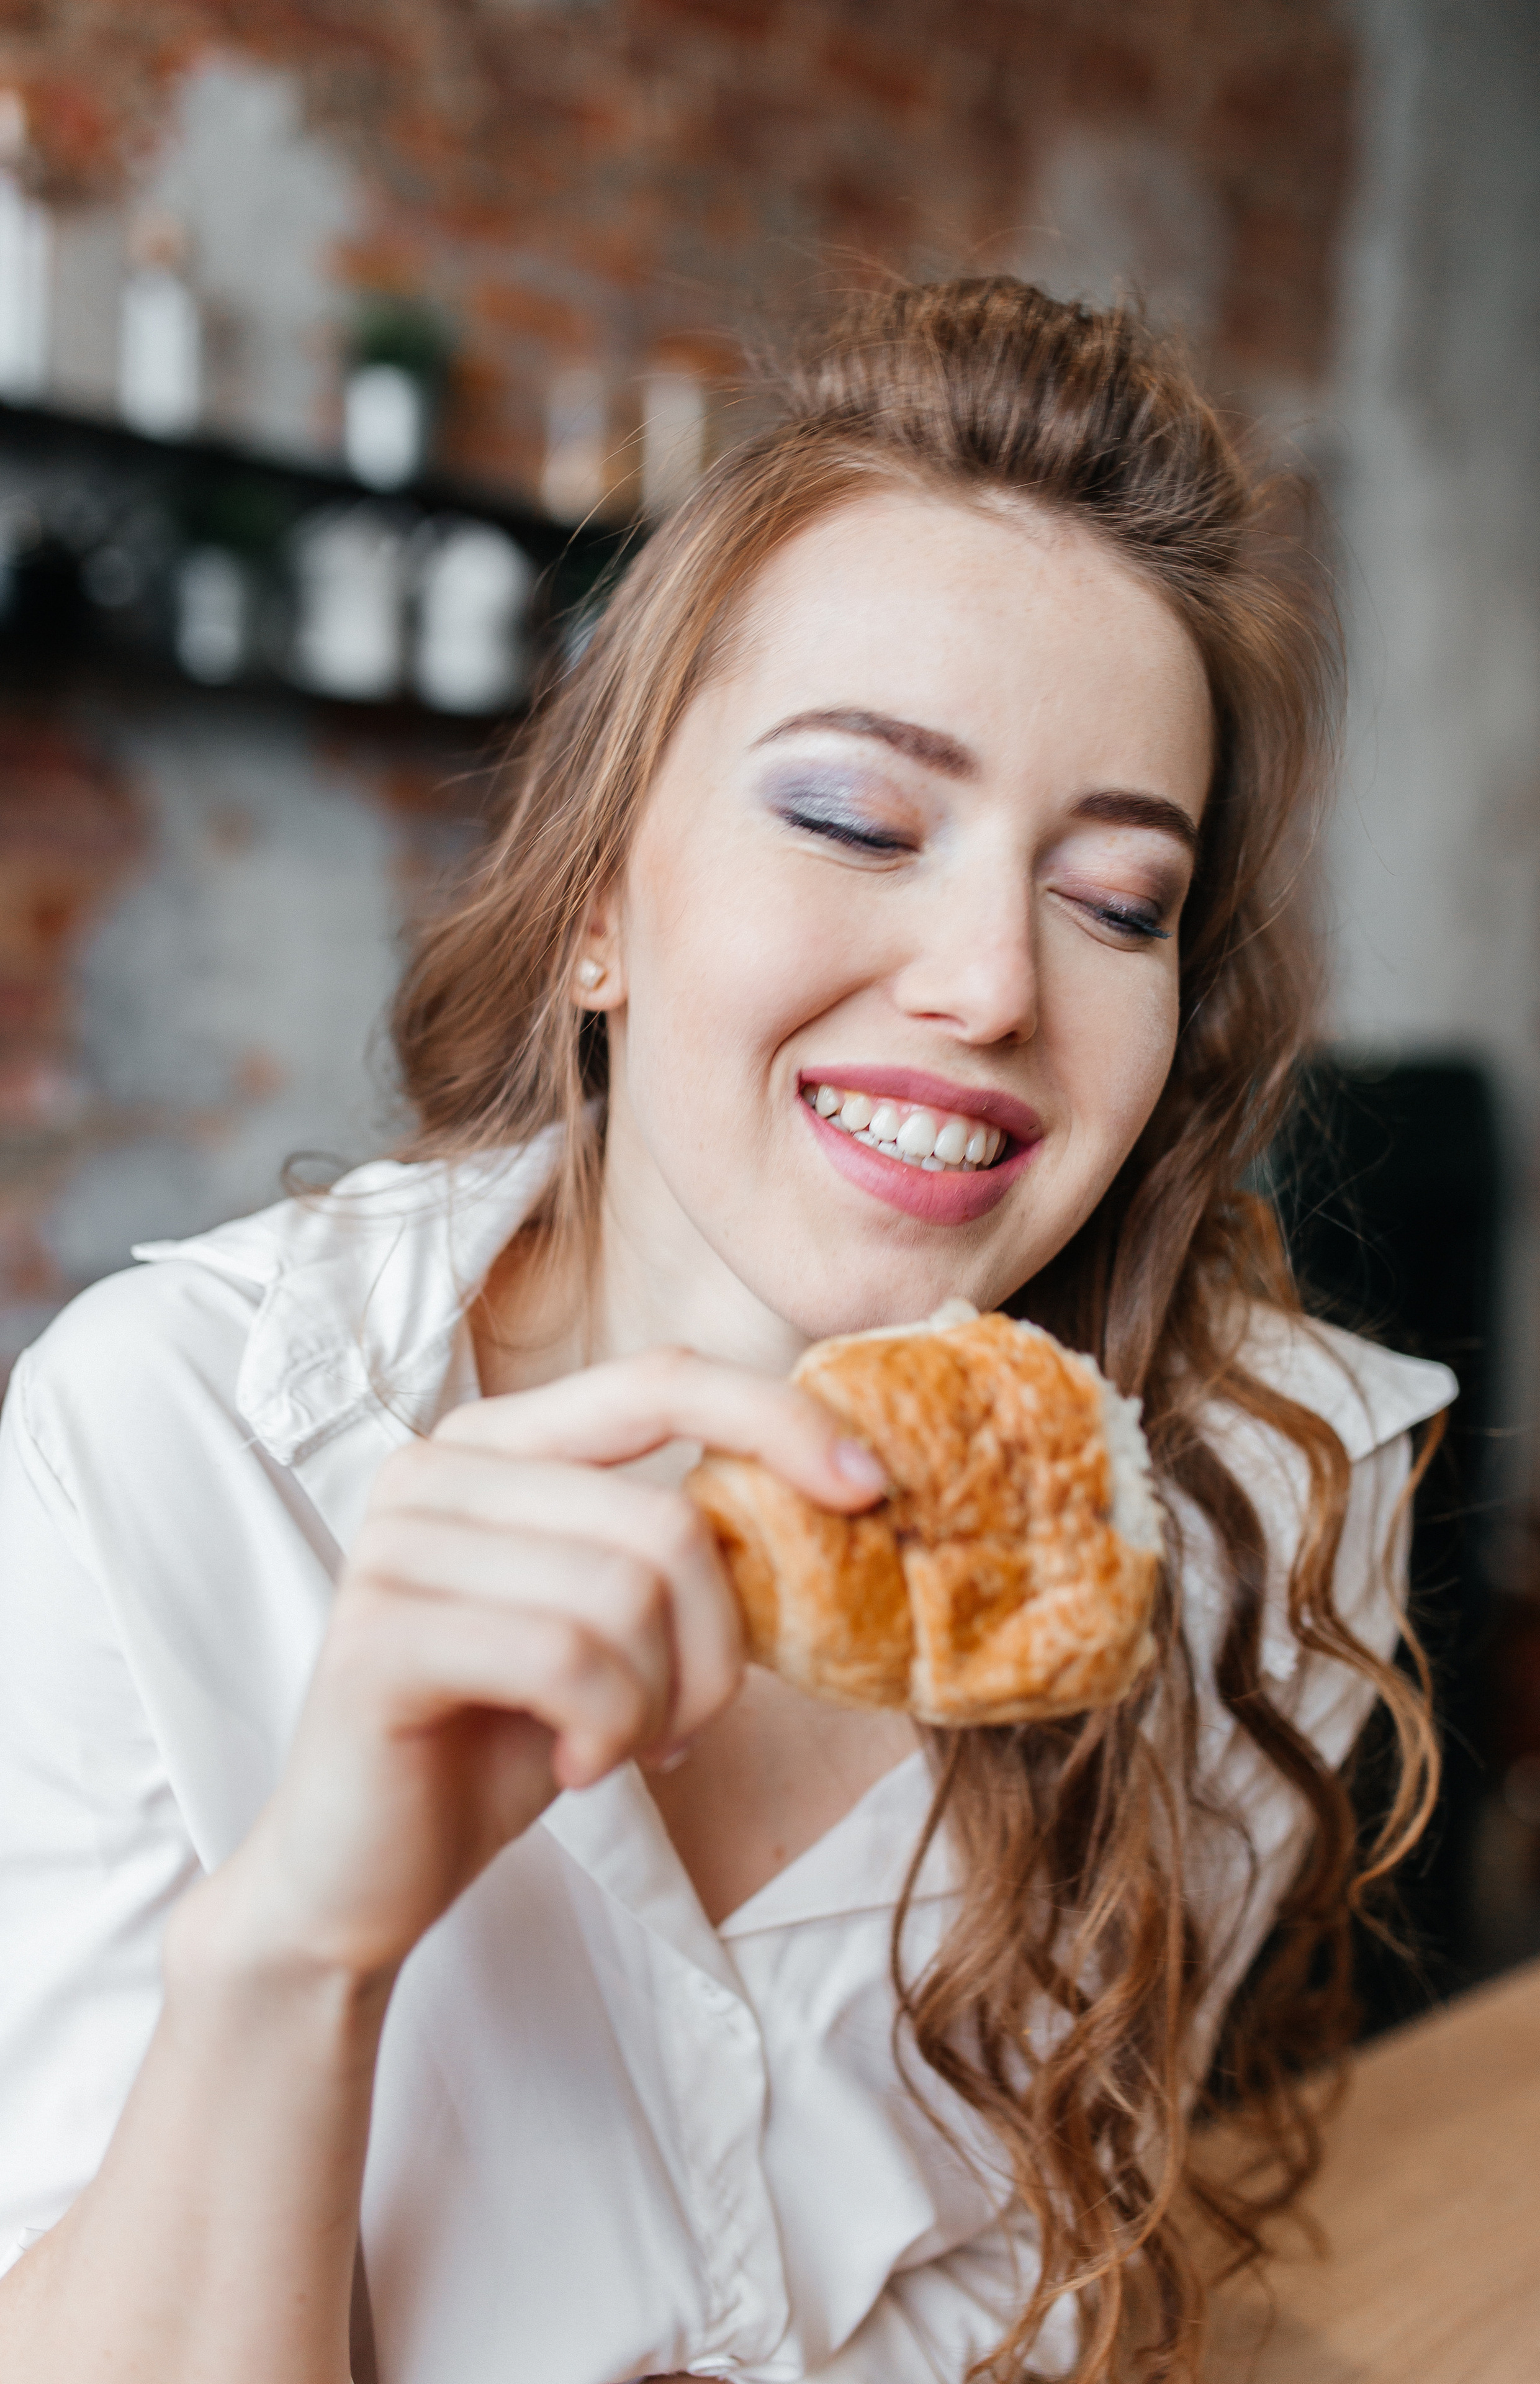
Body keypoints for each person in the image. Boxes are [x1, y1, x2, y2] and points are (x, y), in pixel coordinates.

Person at [0, 279, 1453, 2384]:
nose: (985, 983)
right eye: (857, 818)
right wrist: (304, 1939)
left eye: (1117, 899)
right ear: (598, 904)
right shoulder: (165, 1458)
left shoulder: (1252, 1507)